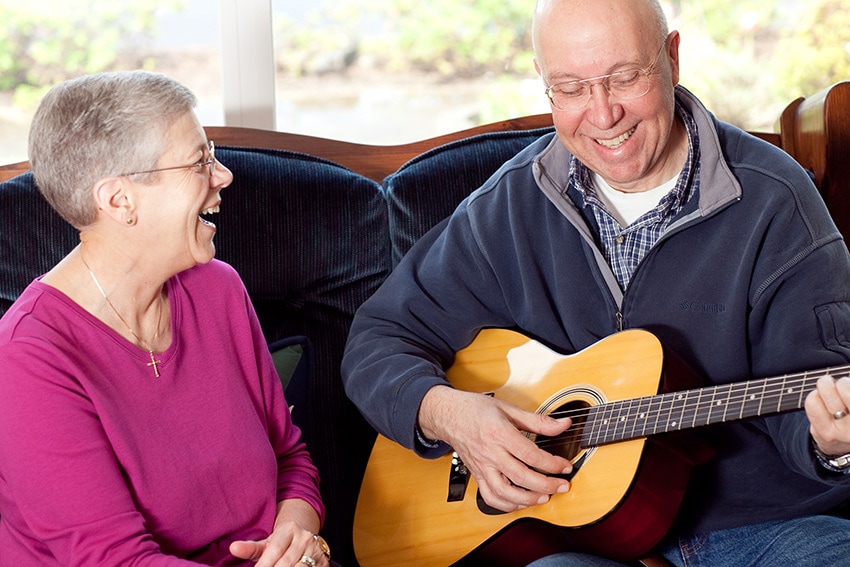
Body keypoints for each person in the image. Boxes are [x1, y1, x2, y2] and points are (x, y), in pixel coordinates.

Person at [341, 0, 850, 565]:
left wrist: (830, 444)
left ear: (672, 58)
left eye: (625, 77)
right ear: (544, 85)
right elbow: (377, 339)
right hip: (573, 536)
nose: (604, 114)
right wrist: (450, 415)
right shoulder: (508, 206)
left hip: (760, 527)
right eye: (572, 88)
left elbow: (815, 389)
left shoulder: (777, 200)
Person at [0, 71, 332, 567]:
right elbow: (114, 561)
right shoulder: (28, 357)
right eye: (200, 161)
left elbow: (291, 460)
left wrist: (297, 543)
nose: (223, 176)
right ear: (119, 201)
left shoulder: (217, 288)